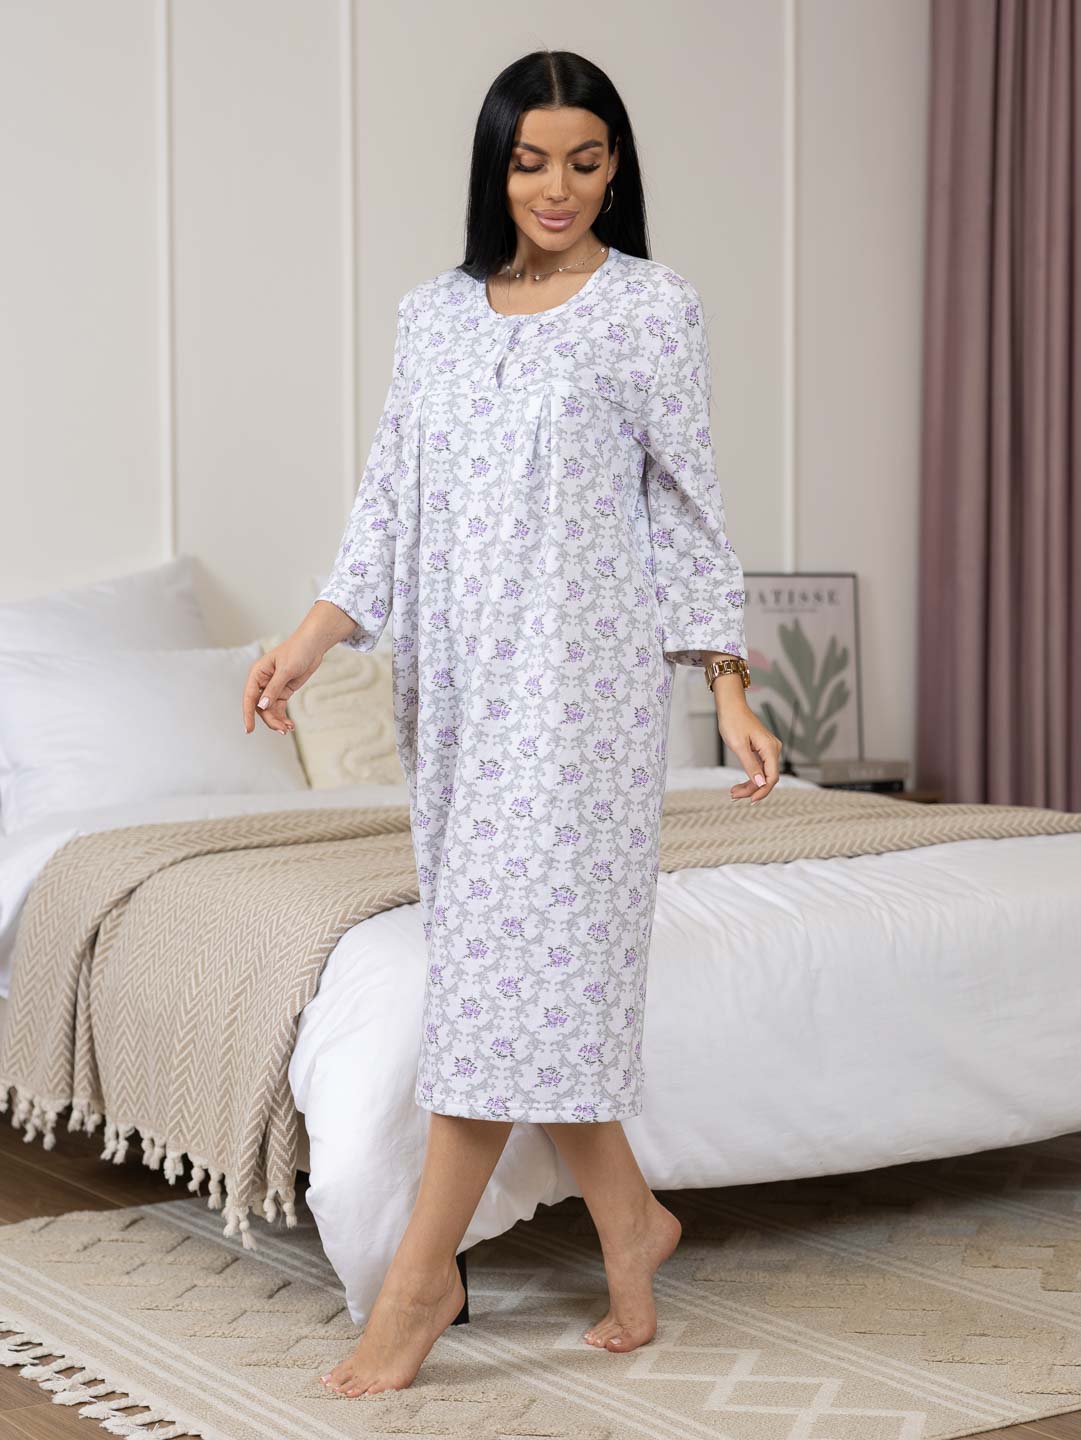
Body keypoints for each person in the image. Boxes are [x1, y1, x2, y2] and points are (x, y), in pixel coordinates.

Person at [242, 48, 781, 1400]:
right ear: (496, 166)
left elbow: (687, 508)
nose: (557, 187)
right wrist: (308, 640)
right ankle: (631, 1224)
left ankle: (418, 1281)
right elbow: (385, 504)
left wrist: (726, 686)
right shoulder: (433, 316)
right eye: (532, 160)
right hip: (457, 697)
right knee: (519, 974)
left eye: (584, 161)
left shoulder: (650, 307)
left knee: (499, 981)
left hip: (584, 700)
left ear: (615, 167)